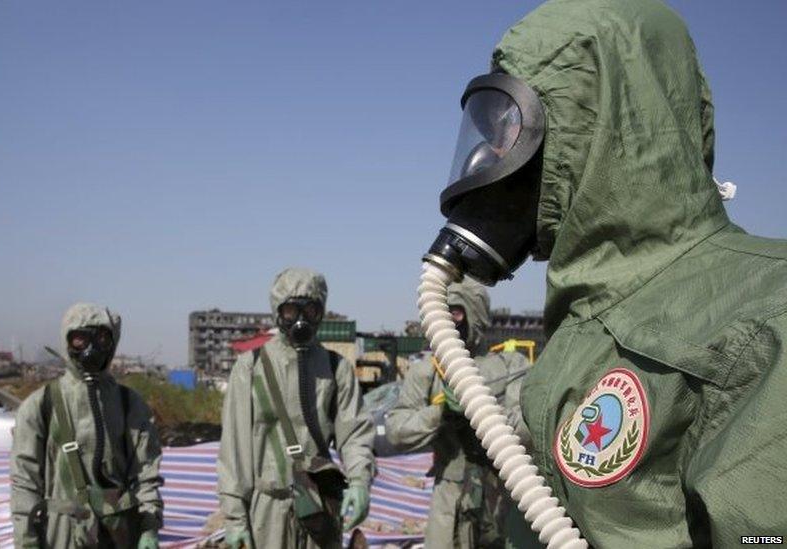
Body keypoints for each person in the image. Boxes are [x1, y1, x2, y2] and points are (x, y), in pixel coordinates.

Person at [419, 0, 787, 544]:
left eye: (510, 128)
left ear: (590, 133)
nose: (487, 159)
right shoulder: (589, 317)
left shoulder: (765, 311)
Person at [217, 268, 375, 548]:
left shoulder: (335, 368)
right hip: (268, 511)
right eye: (291, 310)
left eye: (311, 310)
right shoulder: (251, 367)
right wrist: (234, 519)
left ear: (322, 312)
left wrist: (360, 481)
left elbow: (354, 435)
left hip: (319, 508)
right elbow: (235, 450)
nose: (301, 320)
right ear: (277, 312)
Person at [387, 279, 532, 548]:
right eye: (441, 312)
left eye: (455, 311)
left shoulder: (512, 364)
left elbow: (528, 427)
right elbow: (397, 431)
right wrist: (439, 412)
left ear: (474, 312)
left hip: (504, 498)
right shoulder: (428, 371)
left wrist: (483, 411)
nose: (447, 320)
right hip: (449, 502)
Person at [10, 303, 163, 548]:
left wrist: (149, 526)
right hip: (60, 534)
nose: (92, 349)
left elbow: (146, 473)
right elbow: (25, 481)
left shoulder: (129, 404)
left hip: (119, 532)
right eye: (80, 339)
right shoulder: (41, 405)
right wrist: (26, 539)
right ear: (66, 340)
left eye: (102, 338)